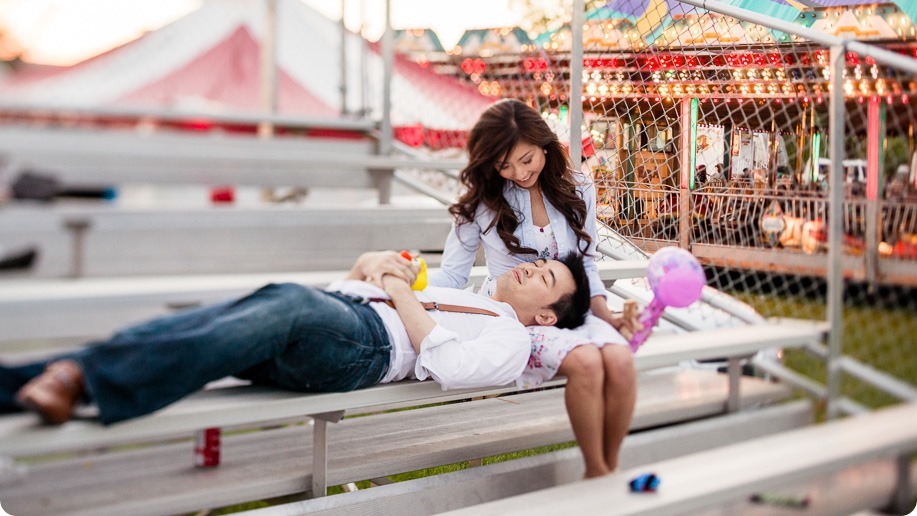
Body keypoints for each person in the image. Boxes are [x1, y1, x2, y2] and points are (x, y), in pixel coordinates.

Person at [3, 249, 590, 426]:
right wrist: (367, 269)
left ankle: (88, 378)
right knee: (202, 323)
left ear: (545, 317)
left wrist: (398, 289)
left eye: (544, 279)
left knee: (282, 300)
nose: (529, 269)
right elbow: (355, 290)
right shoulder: (470, 295)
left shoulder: (511, 342)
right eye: (536, 263)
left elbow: (451, 367)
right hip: (339, 318)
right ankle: (43, 380)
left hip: (365, 349)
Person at [428, 98, 639, 478]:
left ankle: (611, 464)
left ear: (544, 145)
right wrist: (411, 288)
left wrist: (605, 315)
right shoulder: (483, 202)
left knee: (621, 360)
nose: (518, 173)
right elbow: (453, 277)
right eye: (503, 165)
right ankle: (596, 470)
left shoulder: (577, 187)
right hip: (518, 318)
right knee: (589, 362)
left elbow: (586, 260)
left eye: (526, 160)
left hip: (567, 308)